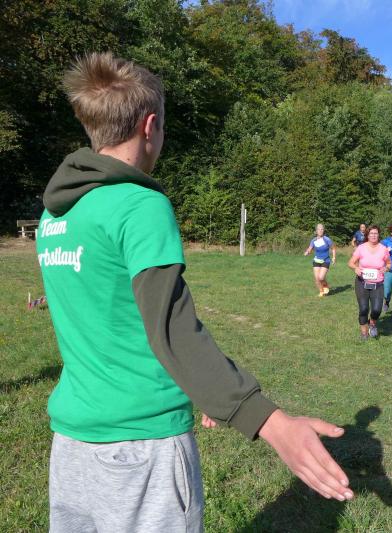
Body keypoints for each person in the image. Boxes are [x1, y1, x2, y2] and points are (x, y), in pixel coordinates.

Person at [38, 53, 353, 532]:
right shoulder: (139, 205)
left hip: (72, 444)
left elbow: (108, 318)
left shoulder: (55, 215)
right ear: (149, 126)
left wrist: (203, 388)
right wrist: (268, 421)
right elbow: (172, 329)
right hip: (141, 447)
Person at [348, 226, 391, 340]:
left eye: (376, 233)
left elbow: (389, 263)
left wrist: (386, 268)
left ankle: (372, 323)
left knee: (377, 309)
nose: (373, 235)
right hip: (362, 282)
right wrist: (355, 268)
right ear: (367, 235)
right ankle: (364, 333)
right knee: (363, 309)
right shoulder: (361, 248)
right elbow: (351, 262)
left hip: (378, 283)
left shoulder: (383, 249)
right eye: (371, 233)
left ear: (378, 235)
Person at [304, 223, 336, 297]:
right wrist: (307, 252)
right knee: (317, 278)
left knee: (321, 277)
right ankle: (321, 291)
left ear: (323, 230)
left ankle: (325, 285)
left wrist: (334, 257)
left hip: (326, 260)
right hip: (316, 261)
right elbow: (310, 248)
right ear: (316, 231)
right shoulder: (313, 240)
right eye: (319, 229)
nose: (320, 231)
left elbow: (333, 248)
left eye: (322, 229)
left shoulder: (327, 239)